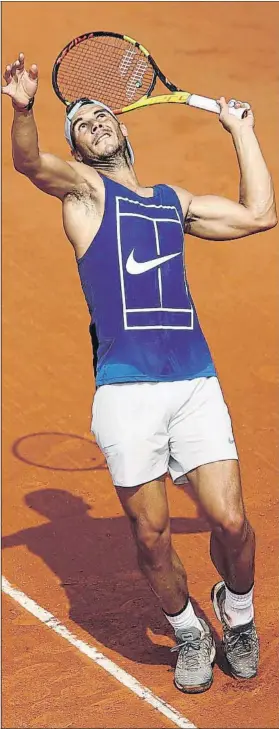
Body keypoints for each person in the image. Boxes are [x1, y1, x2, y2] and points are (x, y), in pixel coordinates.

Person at [2, 52, 277, 695]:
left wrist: (242, 130)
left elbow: (259, 214)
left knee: (231, 522)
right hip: (126, 394)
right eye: (79, 123)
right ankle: (187, 631)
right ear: (79, 149)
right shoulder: (86, 196)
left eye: (100, 114)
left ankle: (237, 616)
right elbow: (29, 163)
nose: (91, 121)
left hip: (192, 382)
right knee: (151, 536)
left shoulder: (170, 201)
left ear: (124, 130)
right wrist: (23, 110)